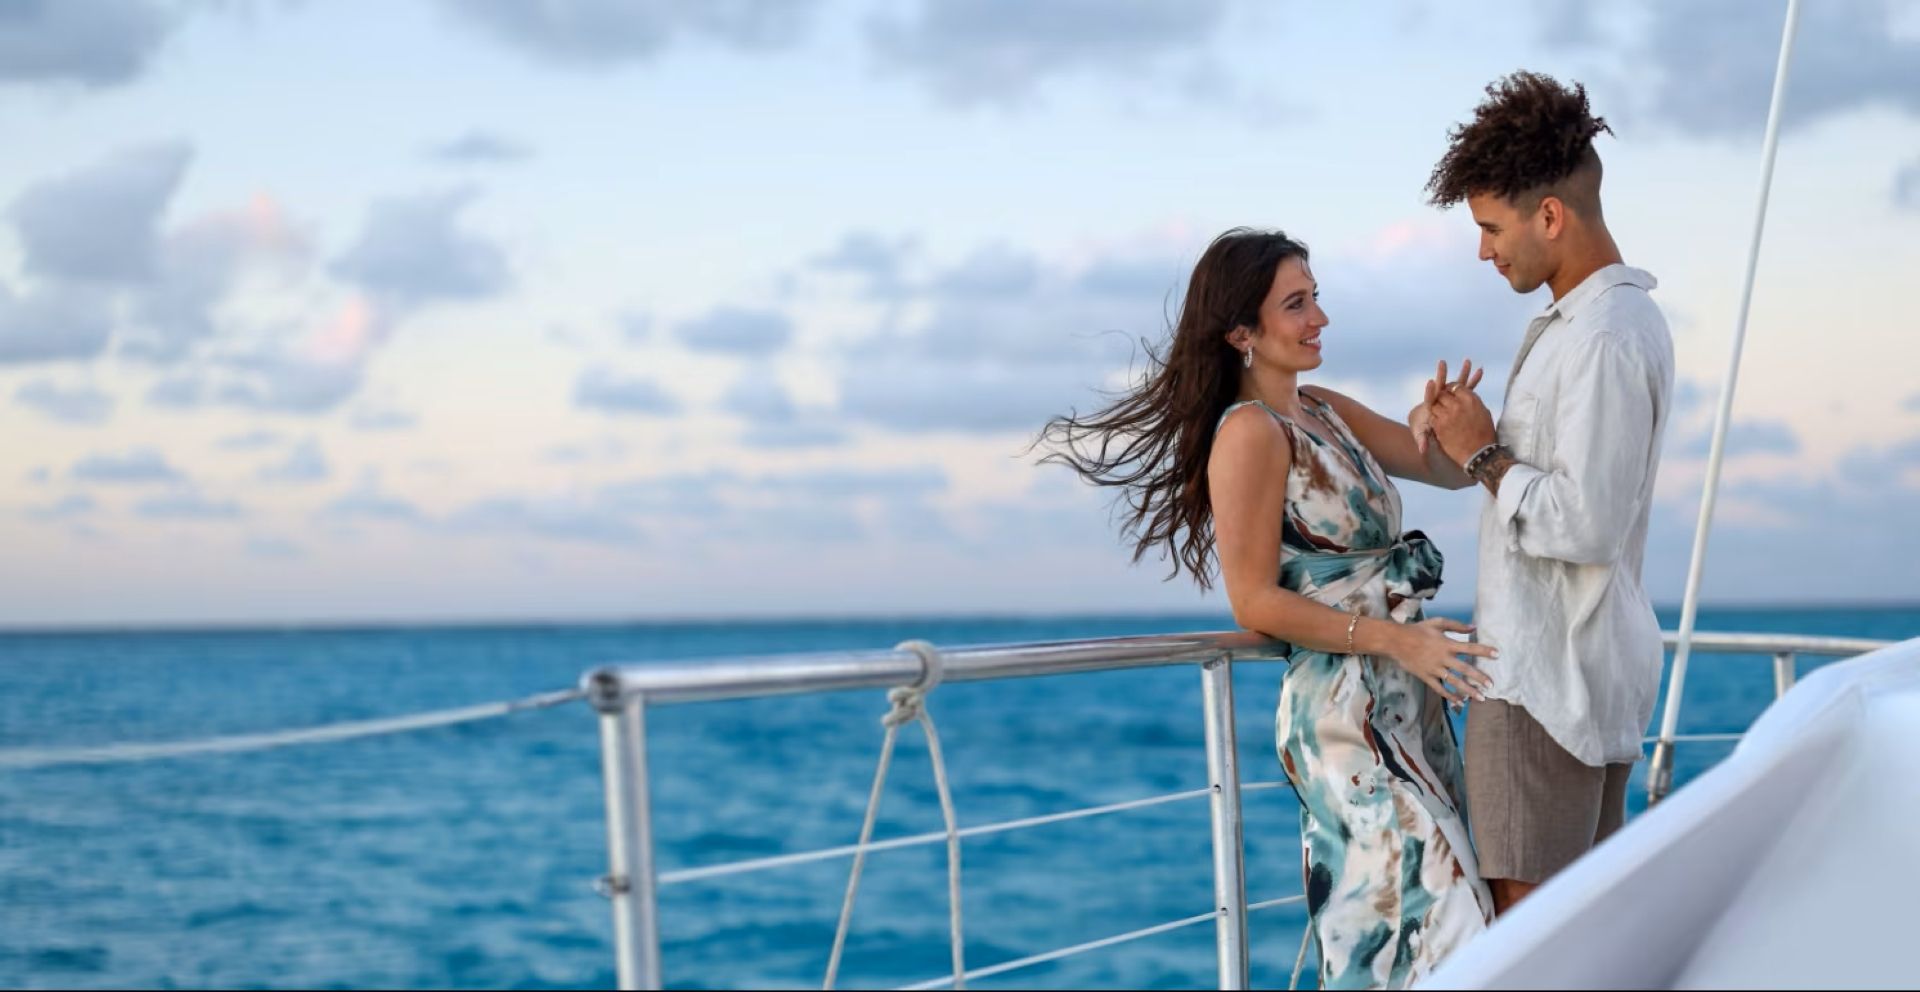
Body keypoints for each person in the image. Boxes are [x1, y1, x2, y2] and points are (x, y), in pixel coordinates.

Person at [1040, 228, 1496, 989]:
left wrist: (1441, 421)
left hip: (1405, 700)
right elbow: (1252, 599)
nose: (1320, 318)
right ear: (1241, 333)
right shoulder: (1250, 433)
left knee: (1422, 941)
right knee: (1438, 928)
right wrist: (1398, 640)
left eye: (1316, 298)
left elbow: (1445, 472)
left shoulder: (1327, 410)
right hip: (1345, 716)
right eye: (1296, 304)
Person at [1418, 71, 1676, 914]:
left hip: (1542, 688)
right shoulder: (1599, 325)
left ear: (1552, 217)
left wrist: (1484, 453)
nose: (1484, 251)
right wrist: (1467, 440)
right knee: (1576, 939)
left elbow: (1587, 523)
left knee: (1528, 946)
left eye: (1492, 228)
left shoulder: (1603, 335)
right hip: (1573, 678)